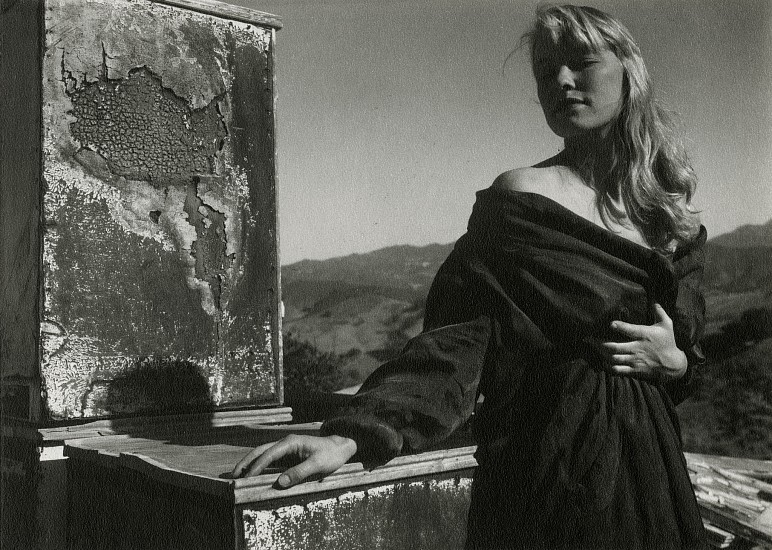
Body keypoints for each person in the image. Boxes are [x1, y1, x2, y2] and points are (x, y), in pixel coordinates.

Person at [232, 5, 707, 549]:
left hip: (652, 472)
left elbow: (690, 358)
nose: (561, 80)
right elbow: (457, 341)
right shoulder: (523, 199)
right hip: (552, 465)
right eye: (546, 69)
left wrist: (673, 362)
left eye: (581, 61)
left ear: (628, 69)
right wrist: (354, 434)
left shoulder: (669, 219)